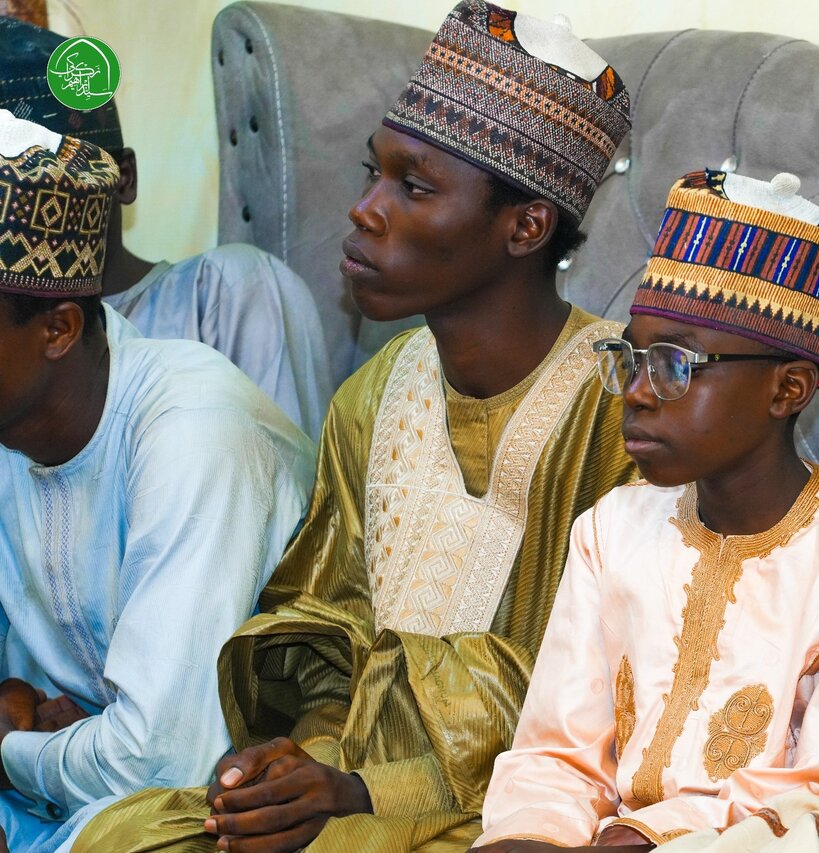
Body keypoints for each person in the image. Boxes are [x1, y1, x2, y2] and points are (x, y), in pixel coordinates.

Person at [72, 2, 636, 851]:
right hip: (343, 781)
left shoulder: (628, 408)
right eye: (374, 173)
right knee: (122, 834)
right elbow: (323, 619)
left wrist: (364, 791)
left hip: (522, 803)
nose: (365, 210)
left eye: (413, 188)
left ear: (526, 226)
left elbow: (614, 691)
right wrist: (294, 765)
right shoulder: (372, 396)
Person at [472, 169, 819, 853]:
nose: (638, 393)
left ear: (788, 389)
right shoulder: (612, 528)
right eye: (632, 359)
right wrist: (533, 834)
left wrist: (642, 834)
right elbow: (554, 752)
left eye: (675, 364)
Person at [0, 111, 314, 852]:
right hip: (63, 795)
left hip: (214, 810)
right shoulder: (16, 422)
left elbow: (158, 760)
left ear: (58, 330)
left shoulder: (192, 428)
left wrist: (11, 750)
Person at [0, 16, 335, 441]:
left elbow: (284, 470)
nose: (27, 200)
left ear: (124, 178)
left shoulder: (224, 293)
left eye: (55, 178)